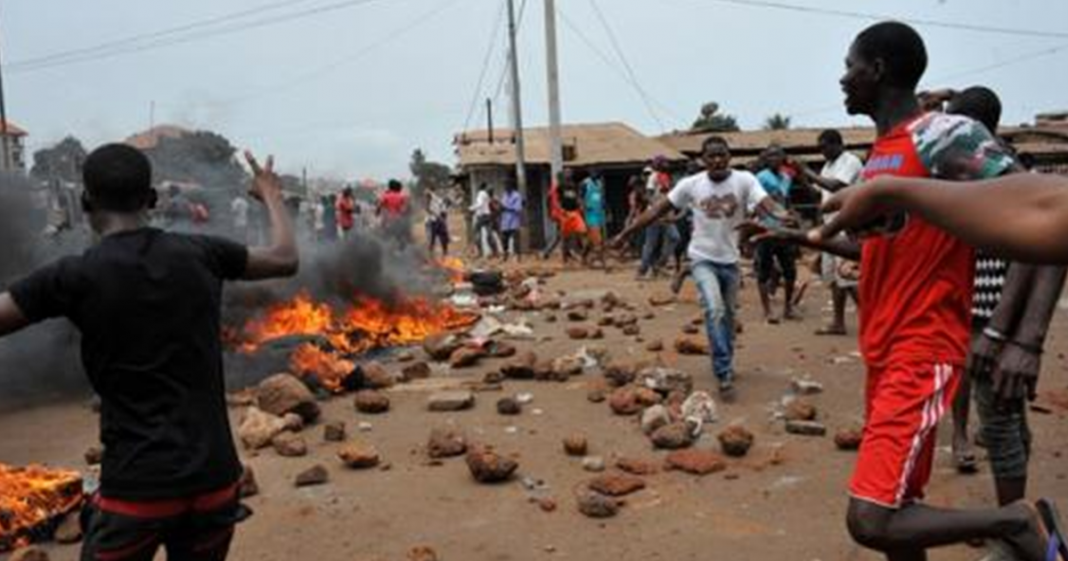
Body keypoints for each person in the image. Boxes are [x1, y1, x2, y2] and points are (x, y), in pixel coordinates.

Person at [758, 21, 1061, 561]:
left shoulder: (944, 136)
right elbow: (882, 251)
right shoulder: (882, 155)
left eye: (850, 66)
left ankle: (1014, 521)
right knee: (902, 505)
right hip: (884, 346)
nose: (842, 79)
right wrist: (796, 236)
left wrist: (1022, 336)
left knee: (871, 519)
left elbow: (1039, 217)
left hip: (923, 346)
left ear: (877, 70)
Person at [0, 144, 298, 561]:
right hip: (214, 485)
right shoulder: (203, 253)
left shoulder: (73, 275)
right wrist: (270, 194)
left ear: (85, 202)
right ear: (153, 200)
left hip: (136, 494)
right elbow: (286, 258)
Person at [611, 136, 787, 402]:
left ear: (729, 156)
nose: (717, 160)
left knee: (727, 317)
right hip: (702, 258)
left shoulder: (744, 180)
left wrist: (785, 217)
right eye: (711, 156)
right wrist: (627, 232)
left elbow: (766, 204)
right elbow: (658, 209)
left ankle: (725, 357)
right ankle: (723, 372)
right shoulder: (691, 185)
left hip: (730, 260)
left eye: (721, 155)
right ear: (703, 160)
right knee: (714, 309)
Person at [796, 129, 865, 335]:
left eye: (823, 147)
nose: (822, 152)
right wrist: (802, 177)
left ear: (837, 144)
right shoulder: (828, 165)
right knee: (834, 280)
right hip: (830, 227)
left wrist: (808, 171)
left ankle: (872, 320)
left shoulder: (850, 161)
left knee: (849, 278)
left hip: (847, 227)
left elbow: (837, 187)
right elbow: (819, 192)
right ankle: (838, 323)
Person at [754, 145, 800, 323]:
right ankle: (767, 310)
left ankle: (788, 308)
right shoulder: (760, 177)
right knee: (763, 271)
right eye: (770, 155)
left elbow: (786, 200)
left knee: (790, 271)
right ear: (765, 158)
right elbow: (756, 201)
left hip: (784, 228)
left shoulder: (786, 177)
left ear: (783, 157)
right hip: (766, 228)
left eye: (777, 155)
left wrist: (792, 216)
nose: (774, 158)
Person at [638, 157, 680, 279]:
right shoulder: (653, 176)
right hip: (655, 214)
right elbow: (648, 196)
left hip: (665, 214)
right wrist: (657, 208)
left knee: (674, 237)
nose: (667, 164)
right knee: (651, 243)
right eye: (664, 162)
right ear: (658, 164)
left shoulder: (665, 177)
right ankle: (642, 270)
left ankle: (659, 264)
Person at [581, 171, 608, 268]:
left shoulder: (600, 183)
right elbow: (580, 197)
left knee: (590, 239)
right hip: (590, 213)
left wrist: (606, 210)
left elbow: (602, 197)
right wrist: (584, 208)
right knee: (598, 238)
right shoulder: (585, 183)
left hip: (600, 212)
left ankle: (584, 256)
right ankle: (599, 260)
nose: (596, 176)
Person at [377, 179, 411, 247]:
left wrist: (377, 212)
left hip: (387, 220)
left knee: (385, 237)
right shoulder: (401, 197)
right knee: (399, 237)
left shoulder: (385, 196)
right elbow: (405, 209)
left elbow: (379, 206)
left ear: (390, 187)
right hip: (398, 220)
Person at [470, 183, 500, 258]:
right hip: (488, 217)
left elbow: (479, 204)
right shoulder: (487, 195)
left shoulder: (480, 193)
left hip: (481, 217)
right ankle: (495, 252)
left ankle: (480, 253)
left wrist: (471, 208)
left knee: (477, 234)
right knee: (489, 235)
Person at [499, 182, 524, 261]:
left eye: (507, 186)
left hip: (514, 221)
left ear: (511, 187)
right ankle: (505, 255)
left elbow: (518, 209)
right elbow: (502, 206)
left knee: (516, 240)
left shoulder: (516, 196)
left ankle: (518, 256)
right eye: (505, 187)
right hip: (505, 221)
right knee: (504, 239)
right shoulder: (504, 195)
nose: (506, 188)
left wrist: (506, 208)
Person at [426, 188, 452, 257]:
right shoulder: (434, 200)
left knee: (440, 237)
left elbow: (442, 211)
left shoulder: (436, 199)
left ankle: (444, 253)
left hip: (437, 221)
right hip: (435, 221)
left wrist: (440, 217)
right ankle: (434, 254)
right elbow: (430, 210)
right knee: (434, 238)